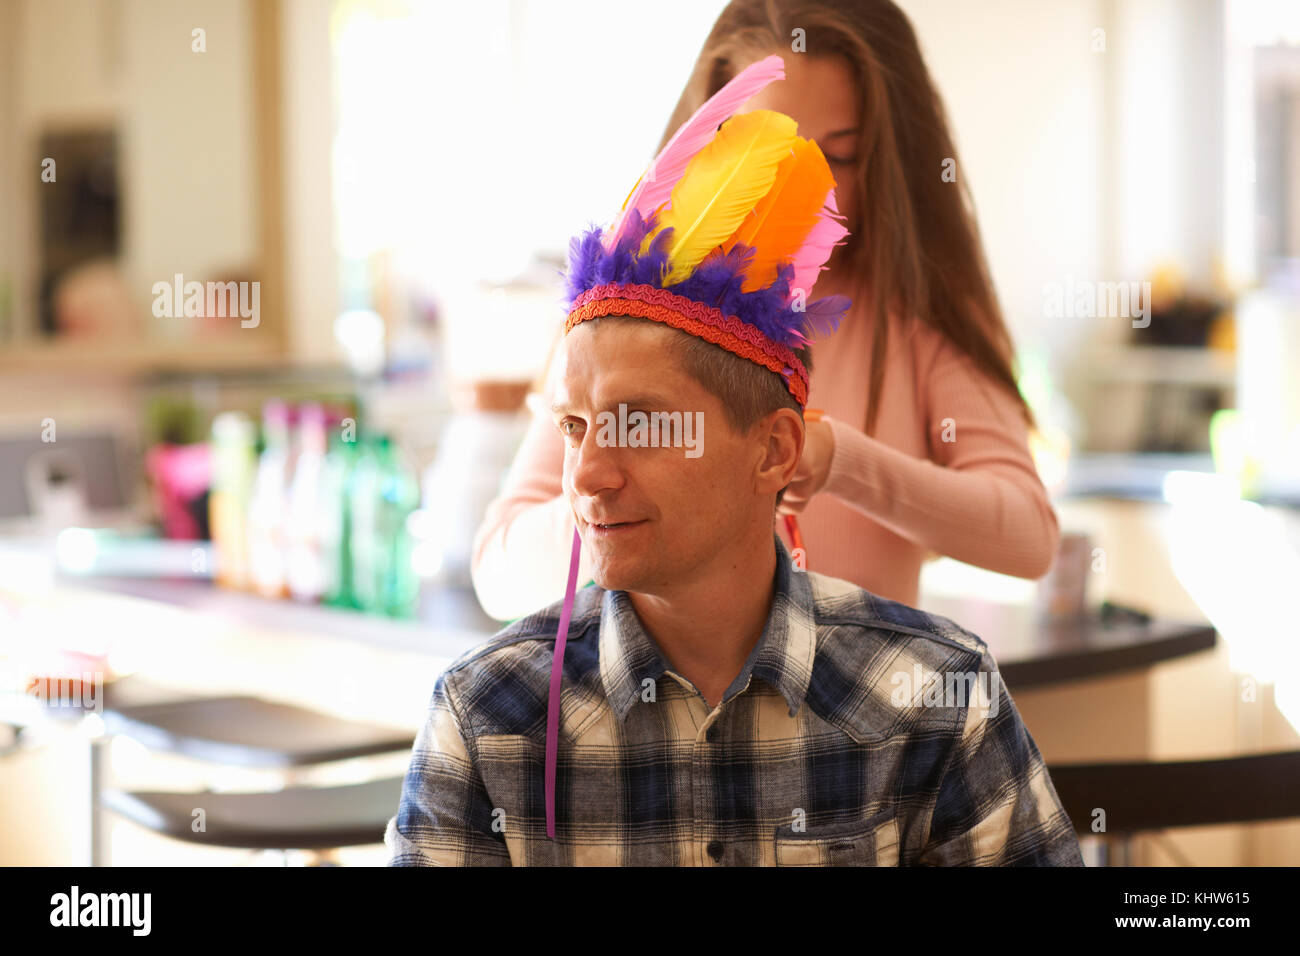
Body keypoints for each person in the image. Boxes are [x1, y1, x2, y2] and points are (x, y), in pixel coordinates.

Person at [387, 57, 1082, 866]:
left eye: (642, 426)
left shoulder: (939, 703)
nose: (585, 476)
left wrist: (845, 459)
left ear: (777, 452)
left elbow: (1026, 534)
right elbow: (505, 559)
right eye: (575, 428)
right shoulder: (485, 722)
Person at [471, 0, 1060, 622]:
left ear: (889, 158)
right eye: (765, 147)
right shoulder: (626, 306)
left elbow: (1027, 536)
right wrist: (647, 478)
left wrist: (841, 462)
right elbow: (499, 572)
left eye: (839, 156)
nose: (803, 188)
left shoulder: (919, 309)